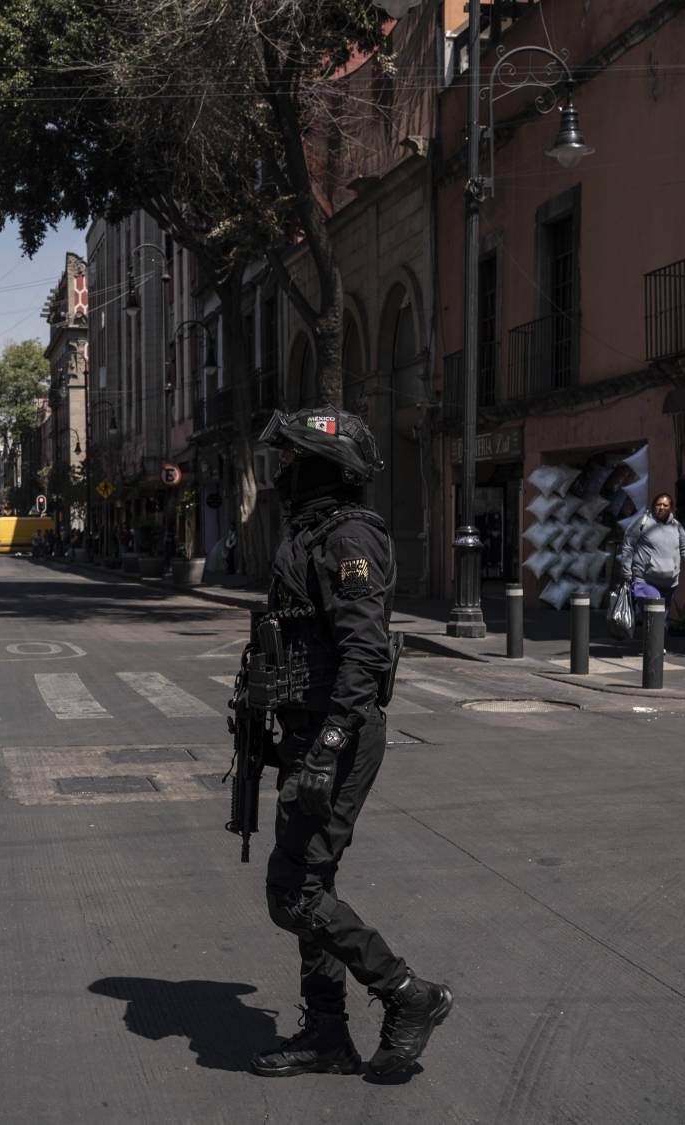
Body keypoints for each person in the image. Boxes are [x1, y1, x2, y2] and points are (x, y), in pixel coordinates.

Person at [248, 405, 452, 1082]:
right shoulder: (312, 536)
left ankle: (407, 993)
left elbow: (363, 656)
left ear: (321, 469)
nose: (283, 471)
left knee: (294, 890)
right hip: (310, 731)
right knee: (315, 879)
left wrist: (325, 748)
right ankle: (327, 1032)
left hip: (338, 735)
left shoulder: (349, 538)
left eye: (292, 459)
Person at [618, 492, 685, 620]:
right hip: (645, 580)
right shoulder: (642, 522)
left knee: (658, 622)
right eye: (658, 504)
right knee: (655, 615)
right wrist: (626, 571)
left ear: (671, 508)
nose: (661, 507)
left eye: (665, 505)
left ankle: (654, 638)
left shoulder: (677, 526)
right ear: (653, 506)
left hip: (669, 584)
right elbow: (628, 546)